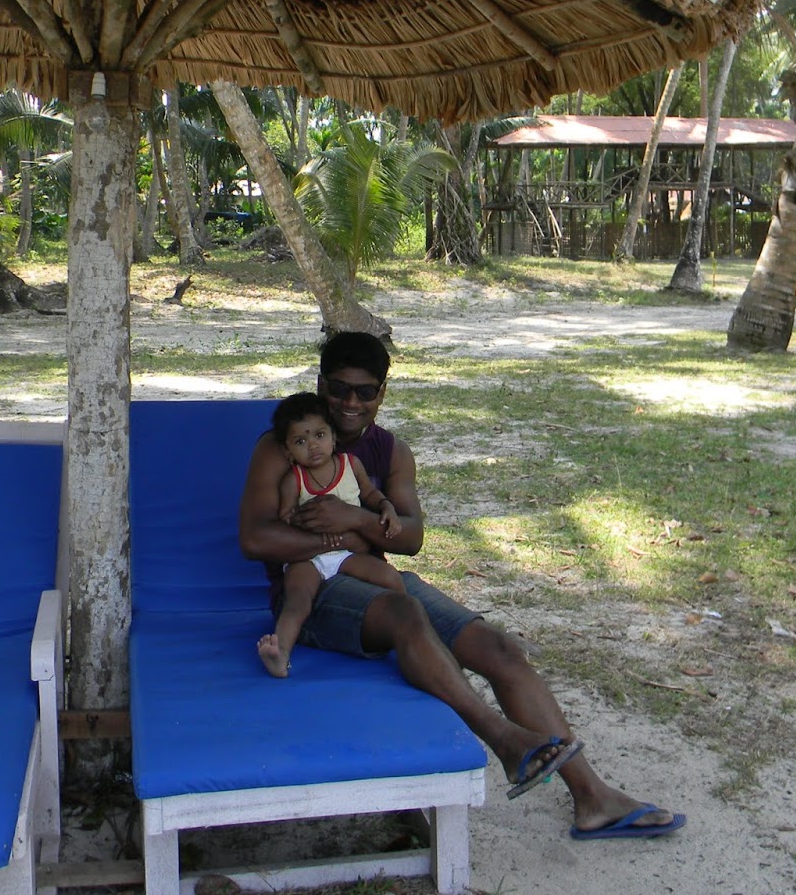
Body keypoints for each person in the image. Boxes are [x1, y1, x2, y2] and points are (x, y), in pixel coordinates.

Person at [239, 332, 684, 838]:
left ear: (383, 393)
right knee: (406, 613)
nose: (350, 403)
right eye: (339, 389)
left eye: (366, 392)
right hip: (312, 593)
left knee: (499, 647)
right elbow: (255, 538)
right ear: (321, 385)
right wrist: (340, 537)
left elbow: (411, 538)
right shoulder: (284, 446)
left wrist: (356, 519)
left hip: (374, 580)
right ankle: (503, 738)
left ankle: (593, 799)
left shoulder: (390, 451)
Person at [258, 391, 405, 678]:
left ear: (334, 437)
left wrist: (387, 507)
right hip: (308, 558)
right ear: (288, 451)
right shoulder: (294, 479)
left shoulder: (351, 465)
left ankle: (403, 632)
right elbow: (285, 516)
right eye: (300, 441)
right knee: (297, 600)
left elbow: (370, 494)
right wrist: (302, 520)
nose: (313, 446)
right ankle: (280, 653)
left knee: (390, 577)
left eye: (320, 435)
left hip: (345, 553)